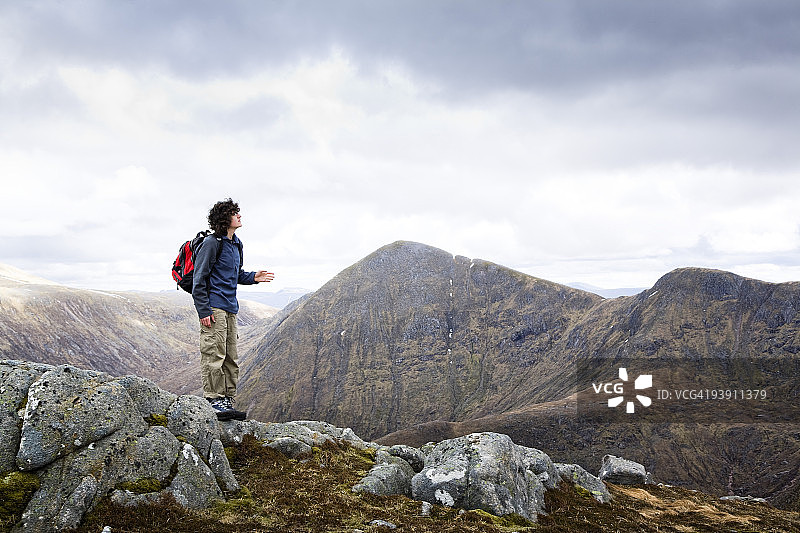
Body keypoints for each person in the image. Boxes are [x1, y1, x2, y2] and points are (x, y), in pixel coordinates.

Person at [192, 198, 274, 420]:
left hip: (230, 307)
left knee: (230, 356)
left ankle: (226, 399)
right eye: (234, 212)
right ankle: (214, 400)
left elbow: (235, 275)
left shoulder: (236, 244)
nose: (239, 215)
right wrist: (204, 310)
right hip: (214, 307)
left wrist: (253, 277)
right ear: (223, 218)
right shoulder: (211, 243)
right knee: (214, 354)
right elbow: (199, 278)